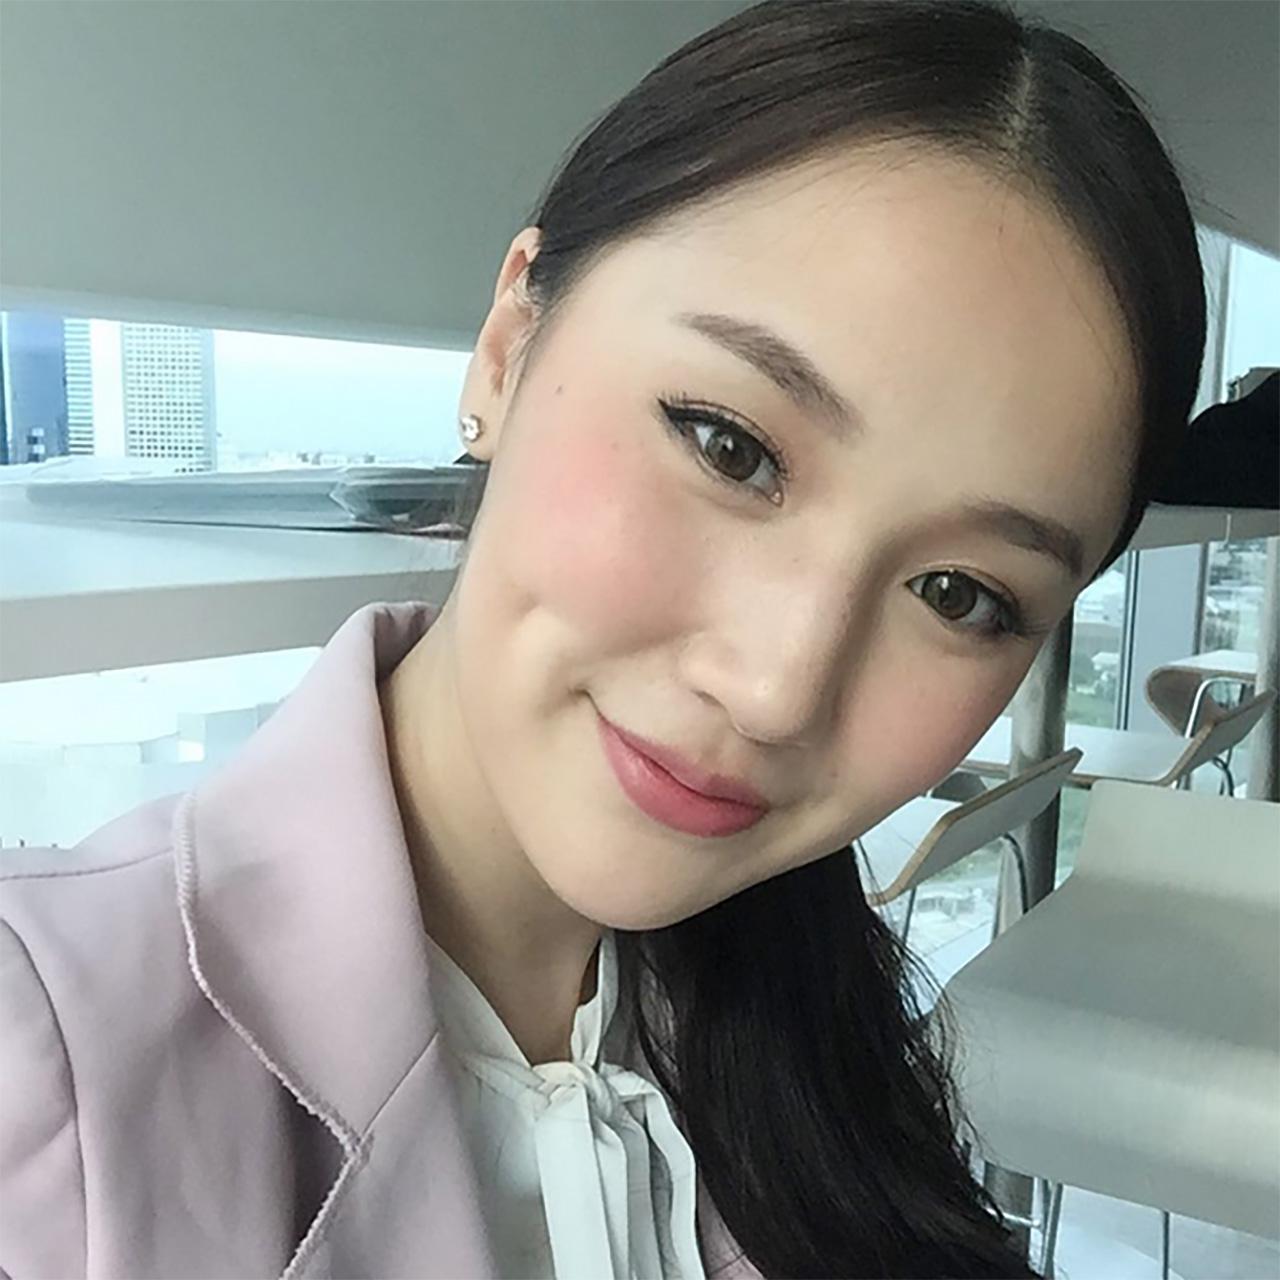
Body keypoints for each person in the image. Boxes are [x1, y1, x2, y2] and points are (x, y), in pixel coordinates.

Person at [0, 0, 1208, 1276]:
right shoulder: (47, 1061)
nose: (775, 687)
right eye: (728, 446)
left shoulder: (821, 1061)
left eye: (958, 593)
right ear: (507, 348)